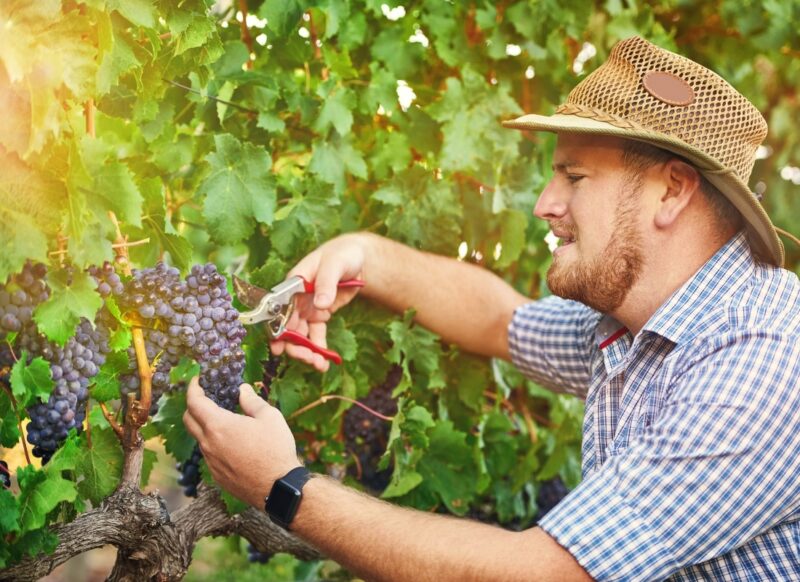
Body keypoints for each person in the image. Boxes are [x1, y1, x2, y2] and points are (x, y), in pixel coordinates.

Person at [183, 36, 800, 580]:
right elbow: (502, 321)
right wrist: (363, 255)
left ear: (671, 191)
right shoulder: (641, 326)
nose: (545, 204)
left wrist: (285, 488)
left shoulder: (764, 356)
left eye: (574, 176)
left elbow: (547, 573)